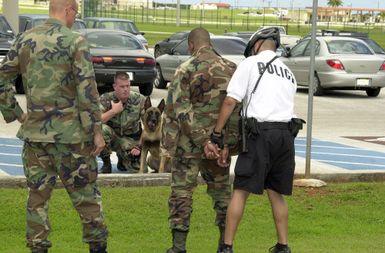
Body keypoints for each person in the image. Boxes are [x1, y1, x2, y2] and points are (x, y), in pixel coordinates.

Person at [0, 0, 108, 252]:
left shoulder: (24, 39)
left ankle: (38, 248)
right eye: (76, 13)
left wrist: (17, 114)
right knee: (87, 199)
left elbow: (2, 79)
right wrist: (96, 131)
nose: (75, 18)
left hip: (35, 137)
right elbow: (87, 90)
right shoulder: (75, 41)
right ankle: (97, 247)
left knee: (37, 200)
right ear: (68, 10)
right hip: (72, 139)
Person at [205, 27, 298, 253]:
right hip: (286, 136)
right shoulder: (288, 71)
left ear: (257, 44)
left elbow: (230, 101)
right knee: (276, 193)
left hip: (260, 135)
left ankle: (226, 247)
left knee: (241, 190)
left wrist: (217, 132)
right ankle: (283, 246)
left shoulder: (249, 64)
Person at [161, 27, 239, 253]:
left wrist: (204, 141)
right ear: (210, 43)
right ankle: (225, 246)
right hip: (220, 146)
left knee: (181, 193)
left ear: (191, 45)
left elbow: (180, 110)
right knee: (222, 194)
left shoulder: (185, 69)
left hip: (189, 146)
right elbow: (236, 110)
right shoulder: (231, 68)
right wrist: (226, 144)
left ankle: (178, 247)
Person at [99, 71, 145, 174]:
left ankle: (123, 160)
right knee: (101, 130)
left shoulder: (139, 100)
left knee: (137, 170)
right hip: (112, 137)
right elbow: (95, 121)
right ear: (115, 86)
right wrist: (113, 111)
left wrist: (139, 146)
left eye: (127, 86)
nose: (125, 89)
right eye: (122, 86)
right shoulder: (105, 99)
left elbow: (149, 127)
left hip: (130, 141)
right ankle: (106, 163)